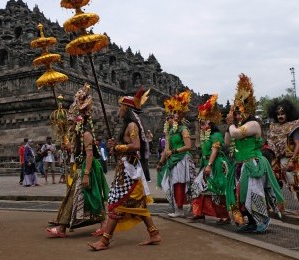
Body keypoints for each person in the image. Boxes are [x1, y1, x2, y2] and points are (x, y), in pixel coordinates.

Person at [88, 86, 161, 251]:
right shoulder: (128, 126)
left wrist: (119, 147)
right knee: (137, 204)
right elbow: (125, 148)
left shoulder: (132, 126)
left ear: (127, 109)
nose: (119, 110)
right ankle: (154, 233)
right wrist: (114, 147)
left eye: (121, 107)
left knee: (116, 203)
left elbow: (136, 146)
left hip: (129, 172)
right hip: (126, 169)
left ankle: (105, 241)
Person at [46, 83, 109, 238]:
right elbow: (73, 148)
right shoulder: (78, 135)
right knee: (86, 197)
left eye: (73, 122)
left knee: (89, 197)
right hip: (81, 169)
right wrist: (63, 140)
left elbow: (89, 155)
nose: (71, 124)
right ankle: (102, 225)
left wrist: (86, 174)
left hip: (87, 169)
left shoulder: (86, 134)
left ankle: (62, 229)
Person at [225, 74, 284, 233]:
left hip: (253, 164)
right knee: (241, 196)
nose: (237, 115)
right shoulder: (236, 126)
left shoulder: (253, 124)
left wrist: (231, 125)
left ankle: (263, 222)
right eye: (235, 113)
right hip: (240, 165)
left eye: (239, 112)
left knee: (254, 194)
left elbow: (236, 134)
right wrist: (228, 127)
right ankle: (251, 222)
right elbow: (227, 142)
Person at [267, 98, 299, 216]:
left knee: (296, 184)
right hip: (278, 159)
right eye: (278, 114)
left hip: (291, 158)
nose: (280, 116)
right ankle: (280, 205)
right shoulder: (273, 127)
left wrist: (292, 160)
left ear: (288, 113)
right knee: (275, 181)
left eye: (282, 113)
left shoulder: (294, 126)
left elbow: (298, 144)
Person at [189, 94, 230, 223]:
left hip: (216, 164)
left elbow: (214, 151)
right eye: (200, 122)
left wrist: (209, 165)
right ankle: (199, 213)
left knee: (217, 190)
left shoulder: (216, 135)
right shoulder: (204, 136)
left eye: (204, 122)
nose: (201, 125)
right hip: (206, 163)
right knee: (197, 186)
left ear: (210, 123)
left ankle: (224, 216)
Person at [156, 90, 196, 218]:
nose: (170, 118)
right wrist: (161, 162)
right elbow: (166, 149)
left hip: (182, 159)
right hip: (172, 160)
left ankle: (180, 208)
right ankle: (177, 207)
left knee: (179, 183)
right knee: (173, 183)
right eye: (169, 115)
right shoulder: (170, 132)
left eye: (172, 115)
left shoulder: (183, 129)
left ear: (178, 117)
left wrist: (173, 152)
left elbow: (188, 146)